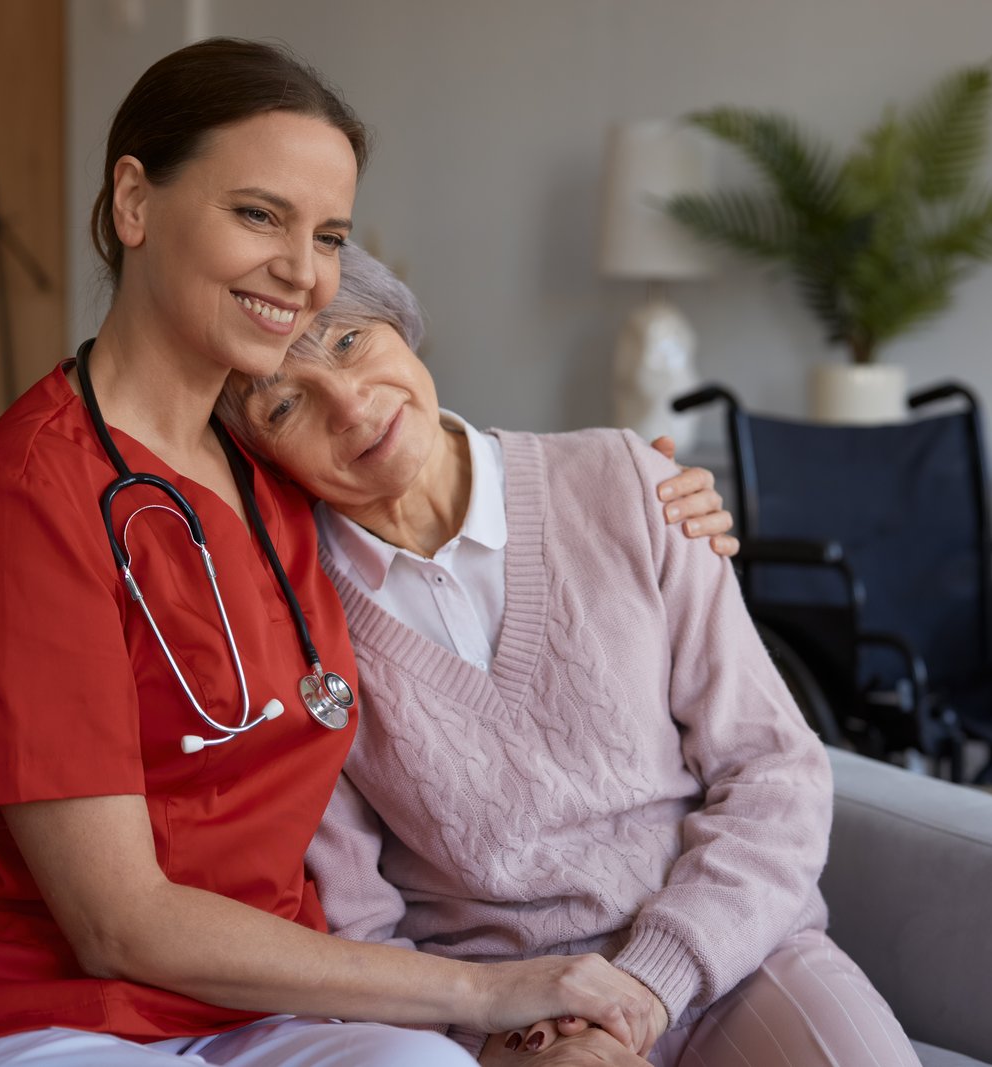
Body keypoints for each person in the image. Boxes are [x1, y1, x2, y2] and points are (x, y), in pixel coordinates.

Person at [0, 39, 733, 1067]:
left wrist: (644, 493)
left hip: (239, 998)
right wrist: (487, 991)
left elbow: (453, 486)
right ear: (133, 203)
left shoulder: (275, 456)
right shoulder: (29, 499)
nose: (303, 272)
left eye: (329, 234)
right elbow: (115, 922)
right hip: (2, 997)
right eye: (258, 214)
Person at [218, 245, 922, 1067]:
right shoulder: (293, 625)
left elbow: (775, 773)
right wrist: (497, 1039)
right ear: (259, 456)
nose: (348, 405)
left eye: (348, 342)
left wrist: (652, 985)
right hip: (520, 1016)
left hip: (734, 954)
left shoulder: (627, 481)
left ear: (401, 325)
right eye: (283, 406)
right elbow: (359, 914)